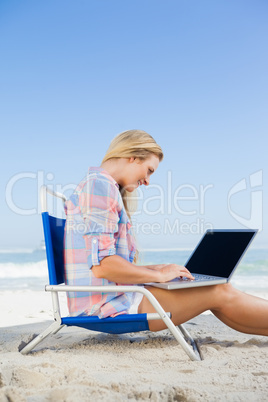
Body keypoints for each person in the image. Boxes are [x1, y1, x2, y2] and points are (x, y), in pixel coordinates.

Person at [64, 129, 268, 336]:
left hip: (118, 297)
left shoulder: (102, 185)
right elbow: (102, 266)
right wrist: (158, 275)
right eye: (150, 170)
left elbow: (101, 262)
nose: (148, 181)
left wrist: (156, 268)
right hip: (107, 307)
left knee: (220, 290)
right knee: (219, 291)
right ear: (132, 157)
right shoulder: (99, 185)